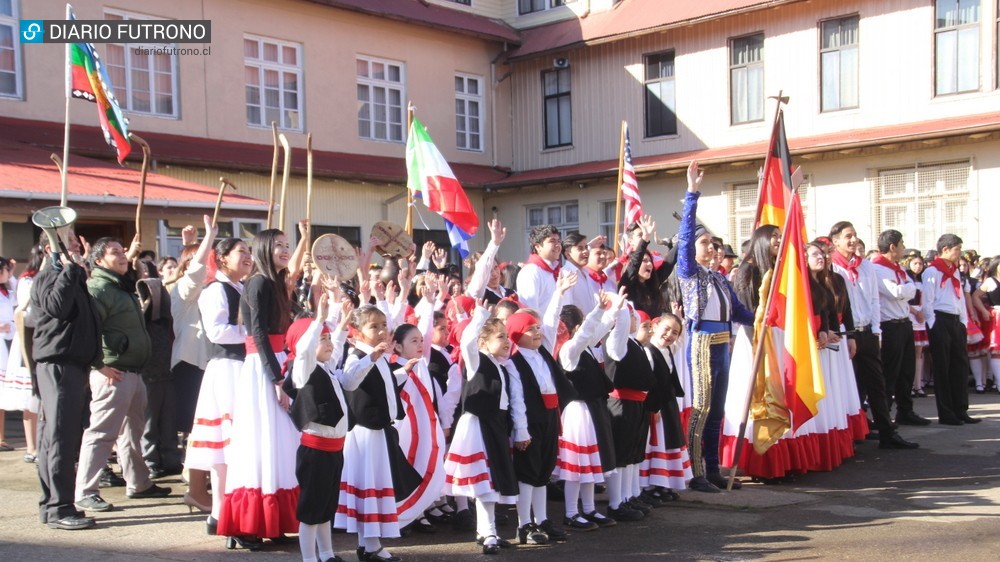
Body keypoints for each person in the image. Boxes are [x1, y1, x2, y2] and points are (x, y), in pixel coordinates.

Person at [218, 228, 301, 550]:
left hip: (276, 363)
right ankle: (246, 524)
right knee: (259, 443)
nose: (285, 249)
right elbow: (259, 335)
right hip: (263, 369)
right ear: (266, 248)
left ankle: (274, 521)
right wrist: (277, 379)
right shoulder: (258, 282)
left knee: (279, 444)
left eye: (287, 244)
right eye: (279, 245)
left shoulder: (276, 284)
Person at [75, 236, 170, 515]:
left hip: (133, 371)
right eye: (115, 252)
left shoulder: (120, 286)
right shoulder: (99, 288)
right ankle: (86, 491)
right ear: (99, 259)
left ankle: (138, 482)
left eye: (122, 251)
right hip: (113, 372)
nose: (122, 256)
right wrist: (99, 364)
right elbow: (87, 330)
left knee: (133, 432)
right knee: (102, 433)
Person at [677, 161, 756, 492]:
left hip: (723, 343)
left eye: (713, 243)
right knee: (703, 408)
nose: (712, 247)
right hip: (702, 342)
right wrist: (692, 194)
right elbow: (684, 238)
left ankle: (712, 468)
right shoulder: (690, 272)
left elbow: (739, 312)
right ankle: (697, 472)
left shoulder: (721, 279)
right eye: (705, 243)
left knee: (717, 410)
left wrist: (765, 314)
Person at [335, 304, 423, 562]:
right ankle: (370, 546)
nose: (382, 331)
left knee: (373, 488)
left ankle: (368, 544)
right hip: (365, 434)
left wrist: (401, 374)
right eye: (374, 326)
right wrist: (370, 358)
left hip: (378, 432)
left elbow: (382, 385)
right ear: (358, 332)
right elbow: (348, 380)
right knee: (369, 489)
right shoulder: (357, 355)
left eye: (384, 325)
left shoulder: (380, 357)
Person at [32, 227, 101, 530]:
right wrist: (70, 268)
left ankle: (54, 505)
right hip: (58, 365)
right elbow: (57, 307)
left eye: (75, 241)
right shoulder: (51, 275)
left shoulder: (72, 275)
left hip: (72, 365)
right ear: (50, 249)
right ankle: (59, 507)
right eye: (69, 242)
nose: (77, 246)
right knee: (59, 439)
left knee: (57, 438)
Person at [829, 221, 918, 449]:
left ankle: (887, 432)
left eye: (855, 235)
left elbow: (875, 300)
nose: (853, 240)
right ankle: (851, 435)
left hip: (866, 332)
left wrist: (876, 330)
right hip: (844, 335)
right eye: (848, 236)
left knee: (877, 384)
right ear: (835, 240)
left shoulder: (866, 266)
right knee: (850, 387)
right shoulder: (832, 267)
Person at [444, 303, 523, 555]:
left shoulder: (503, 366)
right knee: (484, 483)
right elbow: (467, 342)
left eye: (507, 336)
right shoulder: (477, 361)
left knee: (490, 481)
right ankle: (488, 531)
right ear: (483, 342)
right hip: (478, 425)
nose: (507, 341)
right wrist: (479, 316)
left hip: (495, 425)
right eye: (500, 336)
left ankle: (485, 530)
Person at [186, 237, 252, 531]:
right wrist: (253, 333)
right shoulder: (215, 289)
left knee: (236, 445)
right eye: (242, 251)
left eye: (250, 251)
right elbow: (217, 332)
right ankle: (219, 511)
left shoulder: (240, 287)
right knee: (226, 445)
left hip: (241, 368)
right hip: (227, 370)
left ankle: (225, 511)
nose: (248, 256)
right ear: (223, 258)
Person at [283, 294, 351, 562]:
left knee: (326, 507)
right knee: (312, 509)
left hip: (334, 450)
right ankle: (309, 558)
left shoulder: (327, 367)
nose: (327, 342)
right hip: (316, 452)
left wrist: (342, 324)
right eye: (321, 339)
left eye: (326, 338)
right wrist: (319, 319)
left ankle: (327, 554)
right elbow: (303, 353)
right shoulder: (303, 369)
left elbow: (338, 344)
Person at [506, 301, 576, 544]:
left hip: (548, 419)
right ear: (516, 334)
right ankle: (524, 524)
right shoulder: (514, 362)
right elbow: (517, 399)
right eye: (530, 329)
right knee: (528, 474)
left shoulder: (542, 354)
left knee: (543, 473)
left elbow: (552, 321)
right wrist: (521, 431)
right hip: (529, 423)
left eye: (537, 328)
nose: (537, 332)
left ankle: (542, 518)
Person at [555, 293, 625, 531]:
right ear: (574, 327)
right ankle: (571, 512)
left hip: (591, 409)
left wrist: (613, 311)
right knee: (576, 466)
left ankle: (589, 508)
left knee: (590, 463)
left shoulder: (583, 349)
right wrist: (597, 310)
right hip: (577, 412)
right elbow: (586, 333)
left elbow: (595, 332)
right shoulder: (568, 352)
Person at [168, 216, 216, 513]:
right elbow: (195, 273)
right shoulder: (182, 293)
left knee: (206, 428)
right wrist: (207, 238)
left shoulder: (212, 292)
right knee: (196, 427)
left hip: (208, 365)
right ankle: (195, 487)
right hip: (188, 365)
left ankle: (200, 481)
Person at [871, 230, 930, 427]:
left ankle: (906, 410)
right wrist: (907, 289)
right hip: (890, 325)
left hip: (905, 322)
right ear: (892, 247)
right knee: (890, 371)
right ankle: (884, 414)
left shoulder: (897, 268)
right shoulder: (878, 268)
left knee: (907, 370)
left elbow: (909, 288)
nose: (904, 247)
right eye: (902, 244)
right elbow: (896, 292)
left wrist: (906, 290)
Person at [922, 234, 980, 426]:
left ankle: (960, 409)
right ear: (945, 249)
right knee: (942, 367)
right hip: (940, 319)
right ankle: (946, 413)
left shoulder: (954, 271)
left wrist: (963, 321)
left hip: (956, 320)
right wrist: (932, 323)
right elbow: (928, 300)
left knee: (960, 366)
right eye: (957, 249)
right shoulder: (932, 271)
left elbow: (960, 298)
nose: (959, 253)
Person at [1, 243, 44, 463]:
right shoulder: (28, 279)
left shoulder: (14, 284)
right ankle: (32, 446)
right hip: (28, 339)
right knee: (31, 396)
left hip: (41, 339)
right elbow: (28, 314)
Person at [619, 215, 667, 318]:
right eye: (645, 261)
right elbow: (635, 263)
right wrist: (645, 239)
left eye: (650, 261)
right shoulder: (628, 282)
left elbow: (670, 262)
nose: (650, 264)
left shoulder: (652, 284)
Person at [902, 250, 929, 397]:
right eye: (915, 263)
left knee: (920, 351)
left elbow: (926, 297)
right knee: (910, 351)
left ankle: (918, 384)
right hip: (909, 314)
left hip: (920, 315)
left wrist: (922, 312)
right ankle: (910, 385)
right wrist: (915, 312)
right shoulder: (906, 278)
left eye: (920, 263)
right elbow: (903, 300)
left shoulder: (923, 279)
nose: (918, 266)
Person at [516, 225, 562, 311]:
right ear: (538, 247)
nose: (557, 245)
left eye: (558, 241)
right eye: (552, 241)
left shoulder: (556, 270)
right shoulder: (531, 272)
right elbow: (530, 310)